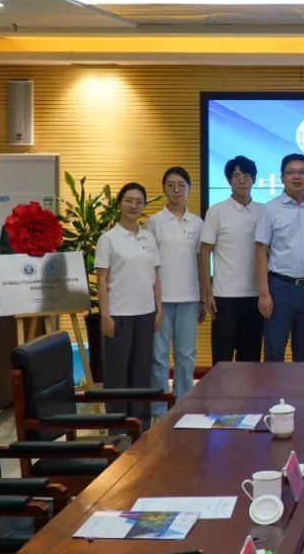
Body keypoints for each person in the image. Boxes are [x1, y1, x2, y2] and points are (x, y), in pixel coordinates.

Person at [95, 182, 161, 429]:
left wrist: (159, 307)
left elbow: (155, 275)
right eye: (129, 200)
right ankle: (117, 425)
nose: (134, 206)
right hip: (118, 313)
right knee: (116, 373)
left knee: (141, 372)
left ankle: (140, 424)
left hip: (145, 313)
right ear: (119, 204)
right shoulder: (108, 239)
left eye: (139, 202)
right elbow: (102, 278)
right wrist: (105, 314)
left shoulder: (148, 238)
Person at [255, 154, 304, 362]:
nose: (297, 177)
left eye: (302, 172)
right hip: (280, 288)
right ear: (282, 177)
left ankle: (302, 386)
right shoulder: (270, 209)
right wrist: (264, 294)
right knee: (274, 351)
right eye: (291, 172)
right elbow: (260, 252)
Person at [199, 155, 267, 363]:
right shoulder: (217, 211)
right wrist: (207, 293)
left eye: (247, 175)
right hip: (224, 297)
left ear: (254, 179)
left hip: (255, 297)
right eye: (236, 176)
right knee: (222, 360)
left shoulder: (263, 211)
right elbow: (204, 252)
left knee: (251, 359)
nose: (242, 180)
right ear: (229, 180)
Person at [146, 167, 203, 417]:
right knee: (158, 357)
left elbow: (202, 262)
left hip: (190, 298)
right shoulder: (154, 222)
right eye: (171, 185)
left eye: (181, 185)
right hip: (161, 301)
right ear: (164, 189)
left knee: (185, 356)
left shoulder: (198, 223)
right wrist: (154, 300)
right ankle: (160, 410)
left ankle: (183, 405)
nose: (176, 190)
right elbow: (148, 263)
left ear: (189, 188)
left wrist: (203, 298)